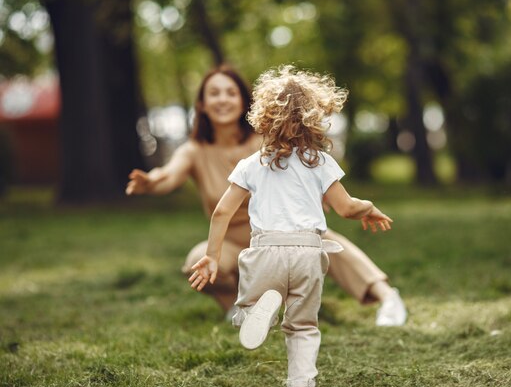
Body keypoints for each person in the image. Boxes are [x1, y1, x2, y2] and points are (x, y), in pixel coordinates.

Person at [126, 64, 406, 326]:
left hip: (286, 228)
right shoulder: (194, 150)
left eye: (230, 92)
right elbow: (169, 176)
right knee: (197, 260)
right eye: (214, 93)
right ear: (202, 104)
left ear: (244, 101)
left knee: (327, 242)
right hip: (234, 242)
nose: (222, 99)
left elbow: (302, 166)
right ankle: (241, 311)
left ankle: (388, 298)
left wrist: (315, 192)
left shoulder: (266, 140)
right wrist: (150, 182)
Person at [188, 65, 393, 387]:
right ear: (315, 116)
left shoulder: (250, 165)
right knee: (302, 326)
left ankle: (257, 309)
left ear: (263, 117)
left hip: (265, 250)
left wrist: (212, 256)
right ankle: (301, 383)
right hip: (308, 254)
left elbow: (221, 213)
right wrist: (367, 209)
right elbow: (346, 207)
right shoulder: (320, 162)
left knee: (256, 294)